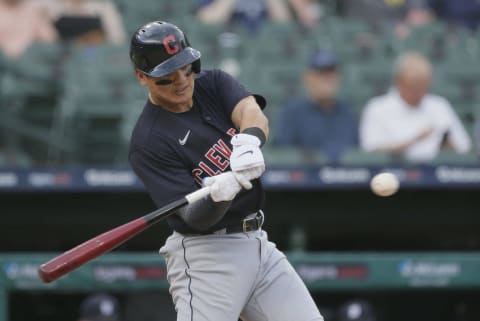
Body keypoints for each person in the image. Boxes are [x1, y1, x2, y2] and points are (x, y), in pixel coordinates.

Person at [128, 21, 323, 321]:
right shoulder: (148, 140)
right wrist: (220, 195)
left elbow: (250, 111)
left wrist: (248, 142)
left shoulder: (212, 83)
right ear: (142, 77)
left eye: (186, 68)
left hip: (257, 242)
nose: (182, 81)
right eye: (167, 77)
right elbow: (194, 218)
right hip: (207, 256)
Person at [359, 51, 472, 163]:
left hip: (438, 175)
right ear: (399, 82)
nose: (420, 92)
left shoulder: (440, 105)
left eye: (424, 86)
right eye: (414, 86)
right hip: (391, 174)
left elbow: (464, 148)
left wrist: (448, 147)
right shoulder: (377, 108)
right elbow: (371, 150)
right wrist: (415, 140)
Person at [273, 49, 358, 162]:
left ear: (339, 77)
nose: (327, 79)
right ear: (308, 77)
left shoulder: (348, 113)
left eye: (331, 73)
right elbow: (283, 158)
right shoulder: (292, 113)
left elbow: (357, 155)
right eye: (321, 73)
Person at [39, 0, 126, 46]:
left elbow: (117, 40)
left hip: (93, 56)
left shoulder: (104, 7)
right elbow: (46, 43)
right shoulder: (50, 7)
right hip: (60, 59)